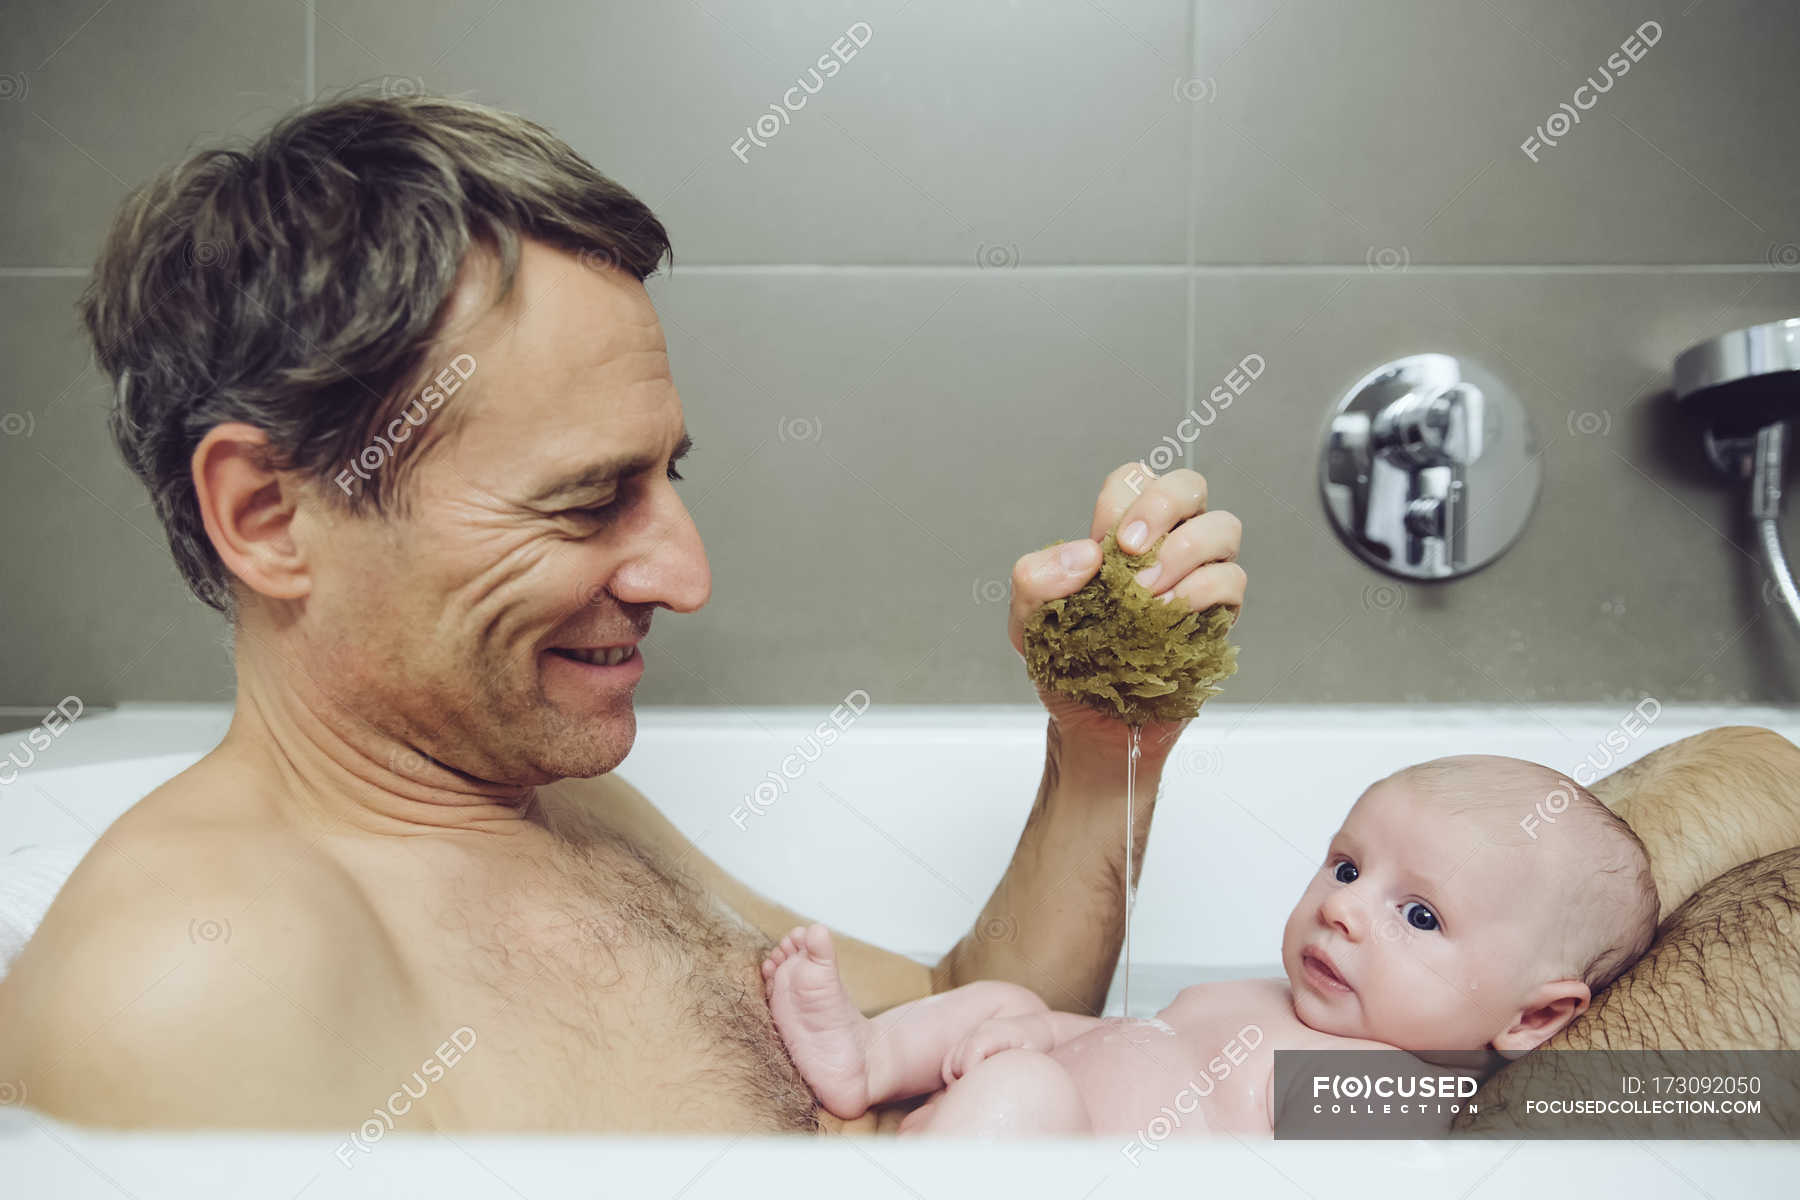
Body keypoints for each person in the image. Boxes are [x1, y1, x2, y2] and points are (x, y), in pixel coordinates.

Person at [0, 94, 1247, 1131]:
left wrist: (1101, 750)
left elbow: (955, 1030)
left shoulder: (549, 798)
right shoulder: (192, 985)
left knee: (1343, 1067)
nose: (685, 576)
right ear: (270, 518)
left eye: (668, 476)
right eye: (587, 500)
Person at [761, 756, 1661, 1135]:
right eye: (1346, 869)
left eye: (1418, 917)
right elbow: (1137, 1049)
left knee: (1029, 1089)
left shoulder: (1394, 1093)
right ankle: (870, 1057)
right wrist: (1038, 1037)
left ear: (1537, 1013)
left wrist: (1031, 1075)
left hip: (1047, 1149)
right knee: (1013, 1005)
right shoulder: (1270, 999)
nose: (1344, 911)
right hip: (1009, 1114)